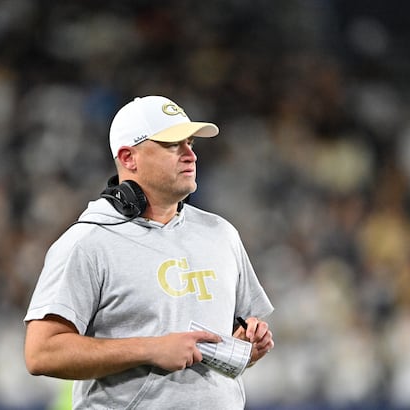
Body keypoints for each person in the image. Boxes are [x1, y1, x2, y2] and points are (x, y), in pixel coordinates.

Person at [24, 95, 275, 409]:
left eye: (191, 144)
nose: (190, 156)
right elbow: (41, 353)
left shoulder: (221, 234)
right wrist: (150, 349)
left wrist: (245, 349)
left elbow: (228, 347)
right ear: (129, 158)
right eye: (173, 145)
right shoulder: (88, 242)